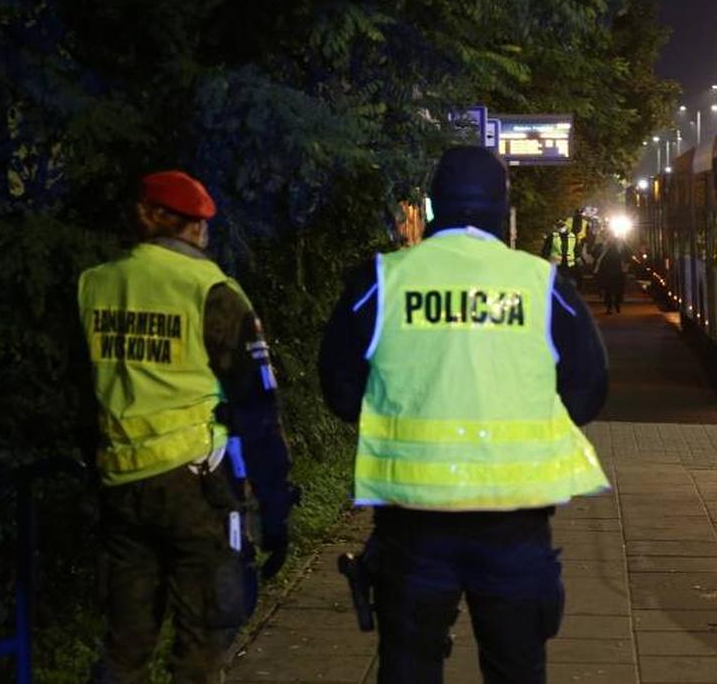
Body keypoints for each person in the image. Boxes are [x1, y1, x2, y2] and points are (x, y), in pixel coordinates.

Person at [318, 146, 610, 684]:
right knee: (516, 668)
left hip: (412, 523)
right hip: (515, 525)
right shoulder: (542, 285)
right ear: (504, 208)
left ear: (433, 206)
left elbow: (337, 386)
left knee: (409, 665)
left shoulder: (383, 281)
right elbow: (589, 392)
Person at [78, 171, 296, 684]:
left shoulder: (95, 284)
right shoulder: (210, 290)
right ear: (198, 229)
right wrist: (276, 505)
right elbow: (257, 407)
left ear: (145, 218)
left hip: (121, 486)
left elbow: (79, 390)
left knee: (125, 645)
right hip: (195, 489)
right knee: (201, 643)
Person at [594, 234, 630, 314]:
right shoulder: (605, 247)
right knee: (612, 290)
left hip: (615, 272)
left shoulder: (619, 246)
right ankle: (613, 305)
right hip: (613, 272)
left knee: (613, 290)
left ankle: (614, 305)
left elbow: (628, 255)